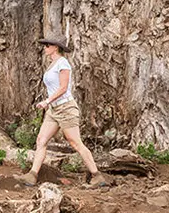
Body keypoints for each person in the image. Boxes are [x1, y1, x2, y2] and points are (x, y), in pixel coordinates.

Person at [24, 36, 107, 187]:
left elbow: (63, 88)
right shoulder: (52, 64)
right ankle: (32, 175)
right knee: (41, 140)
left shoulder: (63, 63)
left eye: (47, 45)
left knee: (75, 143)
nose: (45, 48)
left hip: (66, 108)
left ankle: (97, 175)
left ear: (55, 47)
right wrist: (50, 104)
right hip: (54, 109)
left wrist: (47, 101)